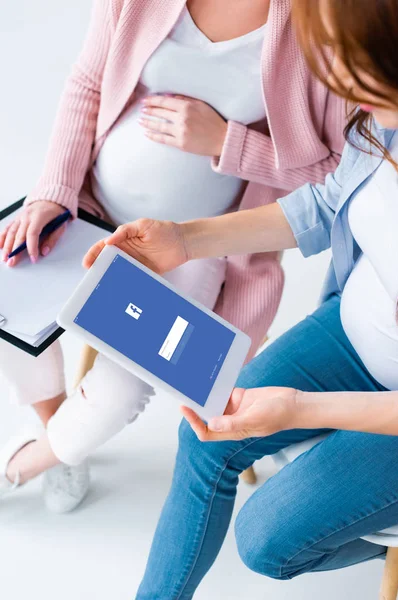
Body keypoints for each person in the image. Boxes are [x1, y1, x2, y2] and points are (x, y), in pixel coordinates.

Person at [82, 0, 398, 594]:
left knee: (268, 544)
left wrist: (303, 411)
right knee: (204, 431)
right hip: (352, 334)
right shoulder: (381, 119)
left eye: (353, 65)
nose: (337, 85)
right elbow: (325, 201)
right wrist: (184, 240)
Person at [0, 0, 345, 512]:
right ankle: (58, 428)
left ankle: (25, 464)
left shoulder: (320, 22)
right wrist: (53, 192)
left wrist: (227, 142)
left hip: (196, 249)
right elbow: (88, 83)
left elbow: (335, 177)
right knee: (9, 285)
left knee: (122, 386)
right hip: (93, 208)